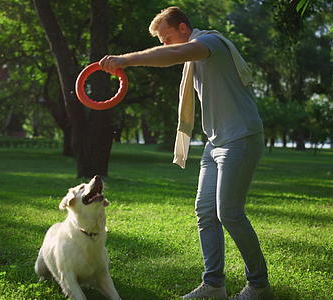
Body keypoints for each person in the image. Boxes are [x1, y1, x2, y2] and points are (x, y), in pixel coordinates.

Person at [99, 6, 272, 300]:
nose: (164, 45)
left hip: (241, 138)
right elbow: (174, 54)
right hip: (215, 143)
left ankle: (259, 287)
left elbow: (174, 55)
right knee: (206, 212)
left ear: (183, 28)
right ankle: (214, 285)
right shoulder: (196, 55)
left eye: (166, 38)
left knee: (229, 213)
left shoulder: (211, 43)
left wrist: (126, 60)